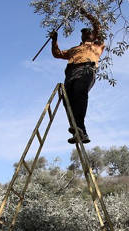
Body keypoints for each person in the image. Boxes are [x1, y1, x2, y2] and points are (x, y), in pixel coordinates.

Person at [50, 8, 105, 144]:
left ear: (93, 35)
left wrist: (86, 13)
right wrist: (54, 40)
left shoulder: (97, 45)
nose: (86, 34)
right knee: (67, 101)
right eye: (84, 33)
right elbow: (57, 54)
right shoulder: (74, 49)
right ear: (81, 37)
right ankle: (79, 130)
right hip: (70, 73)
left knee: (80, 94)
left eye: (88, 32)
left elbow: (98, 26)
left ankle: (79, 128)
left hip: (86, 69)